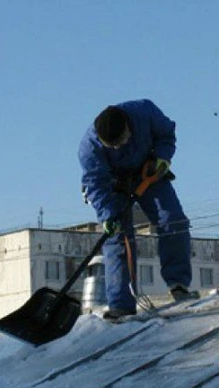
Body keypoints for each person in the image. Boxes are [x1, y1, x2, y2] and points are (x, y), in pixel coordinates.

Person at [78, 99, 194, 319]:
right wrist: (108, 214)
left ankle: (178, 283)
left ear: (128, 127)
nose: (119, 147)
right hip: (112, 184)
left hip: (148, 173)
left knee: (173, 219)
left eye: (122, 141)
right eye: (113, 147)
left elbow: (166, 134)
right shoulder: (89, 148)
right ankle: (121, 304)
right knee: (118, 238)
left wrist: (162, 157)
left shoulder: (145, 111)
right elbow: (95, 183)